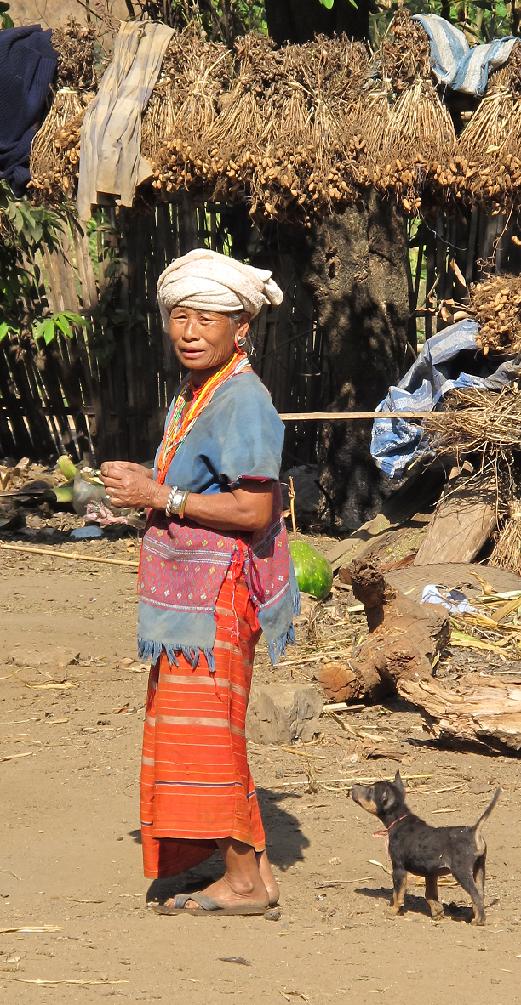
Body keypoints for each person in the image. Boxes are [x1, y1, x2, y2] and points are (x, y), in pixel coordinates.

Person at [100, 248, 299, 916]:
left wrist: (161, 495)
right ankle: (255, 876)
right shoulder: (199, 391)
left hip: (218, 596)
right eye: (179, 316)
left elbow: (254, 509)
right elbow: (198, 482)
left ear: (240, 326)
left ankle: (243, 883)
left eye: (206, 318)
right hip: (192, 597)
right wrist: (149, 488)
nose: (189, 331)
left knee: (209, 737)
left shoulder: (243, 399)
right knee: (207, 732)